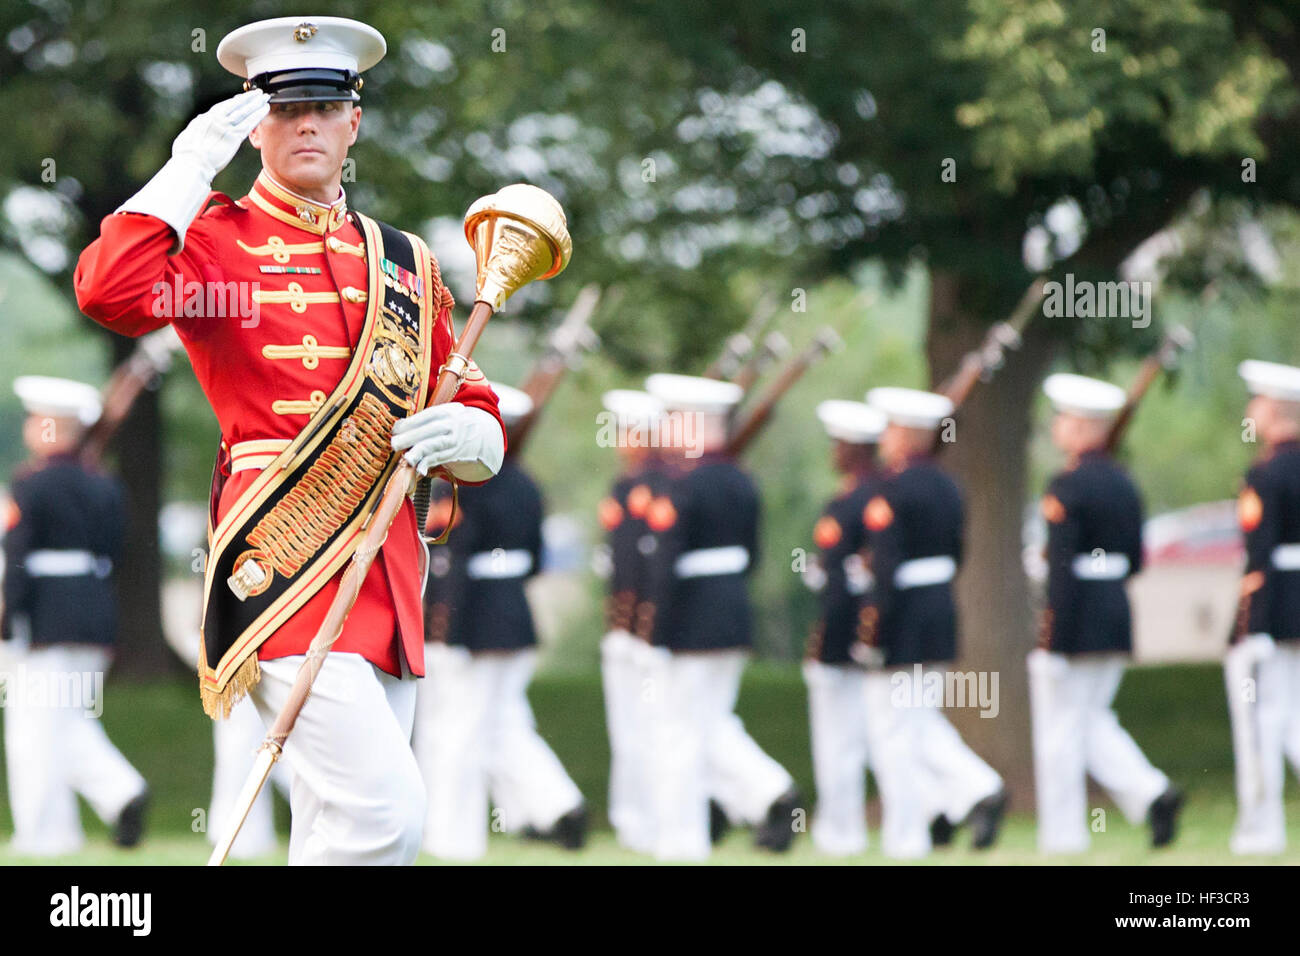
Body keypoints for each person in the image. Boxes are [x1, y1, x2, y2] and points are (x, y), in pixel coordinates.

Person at [74, 16, 506, 865]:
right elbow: (110, 290)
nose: (305, 124)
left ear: (355, 121)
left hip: (388, 572)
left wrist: (476, 435)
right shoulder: (213, 240)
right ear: (254, 125)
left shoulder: (405, 262)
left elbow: (471, 394)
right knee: (386, 816)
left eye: (324, 106)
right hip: (282, 562)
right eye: (284, 109)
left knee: (338, 826)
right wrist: (187, 167)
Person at [415, 384, 585, 860]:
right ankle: (557, 807)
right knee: (498, 722)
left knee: (458, 732)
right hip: (512, 613)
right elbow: (533, 558)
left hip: (471, 620)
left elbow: (454, 559)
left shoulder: (469, 485)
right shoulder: (527, 484)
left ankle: (453, 839)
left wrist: (444, 625)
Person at [638, 373, 798, 860]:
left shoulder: (682, 485)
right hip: (730, 614)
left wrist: (654, 630)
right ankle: (769, 793)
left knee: (678, 733)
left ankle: (681, 841)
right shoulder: (742, 481)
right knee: (708, 723)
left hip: (690, 620)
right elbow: (750, 555)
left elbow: (665, 567)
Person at [1028, 373, 1182, 853]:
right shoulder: (1123, 483)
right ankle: (1152, 792)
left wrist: (1052, 630)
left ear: (1079, 426)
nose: (1056, 426)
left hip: (1074, 616)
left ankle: (1063, 836)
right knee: (1091, 718)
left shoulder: (1067, 486)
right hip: (1114, 607)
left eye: (1062, 418)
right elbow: (1135, 559)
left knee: (1060, 732)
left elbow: (1064, 570)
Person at [1, 376, 150, 855]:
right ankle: (98, 806)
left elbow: (18, 557)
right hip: (94, 616)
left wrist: (6, 618)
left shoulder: (32, 485)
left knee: (34, 732)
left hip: (45, 620)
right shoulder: (104, 485)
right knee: (63, 722)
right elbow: (113, 551)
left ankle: (50, 832)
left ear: (49, 426)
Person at [857, 386, 1006, 858]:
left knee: (892, 733)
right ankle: (966, 794)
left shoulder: (891, 489)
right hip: (938, 610)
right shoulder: (948, 486)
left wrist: (871, 630)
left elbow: (885, 567)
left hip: (901, 618)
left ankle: (912, 832)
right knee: (917, 722)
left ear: (903, 433)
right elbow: (956, 555)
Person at [801, 400, 886, 856]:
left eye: (838, 443)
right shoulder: (880, 495)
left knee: (839, 741)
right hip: (872, 631)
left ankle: (840, 831)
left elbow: (839, 585)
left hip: (847, 633)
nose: (833, 452)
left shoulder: (851, 501)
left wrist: (827, 644)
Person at [1226, 360, 1300, 855]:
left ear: (1273, 411)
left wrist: (1249, 626)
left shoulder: (1266, 474)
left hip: (1275, 608)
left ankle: (1260, 827)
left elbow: (1260, 556)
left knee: (1259, 721)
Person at [596, 388, 667, 853]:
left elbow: (647, 563)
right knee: (626, 730)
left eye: (631, 432)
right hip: (624, 625)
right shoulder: (625, 486)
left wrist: (641, 624)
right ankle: (631, 820)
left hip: (646, 628)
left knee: (650, 727)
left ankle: (651, 819)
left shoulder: (658, 487)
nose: (624, 441)